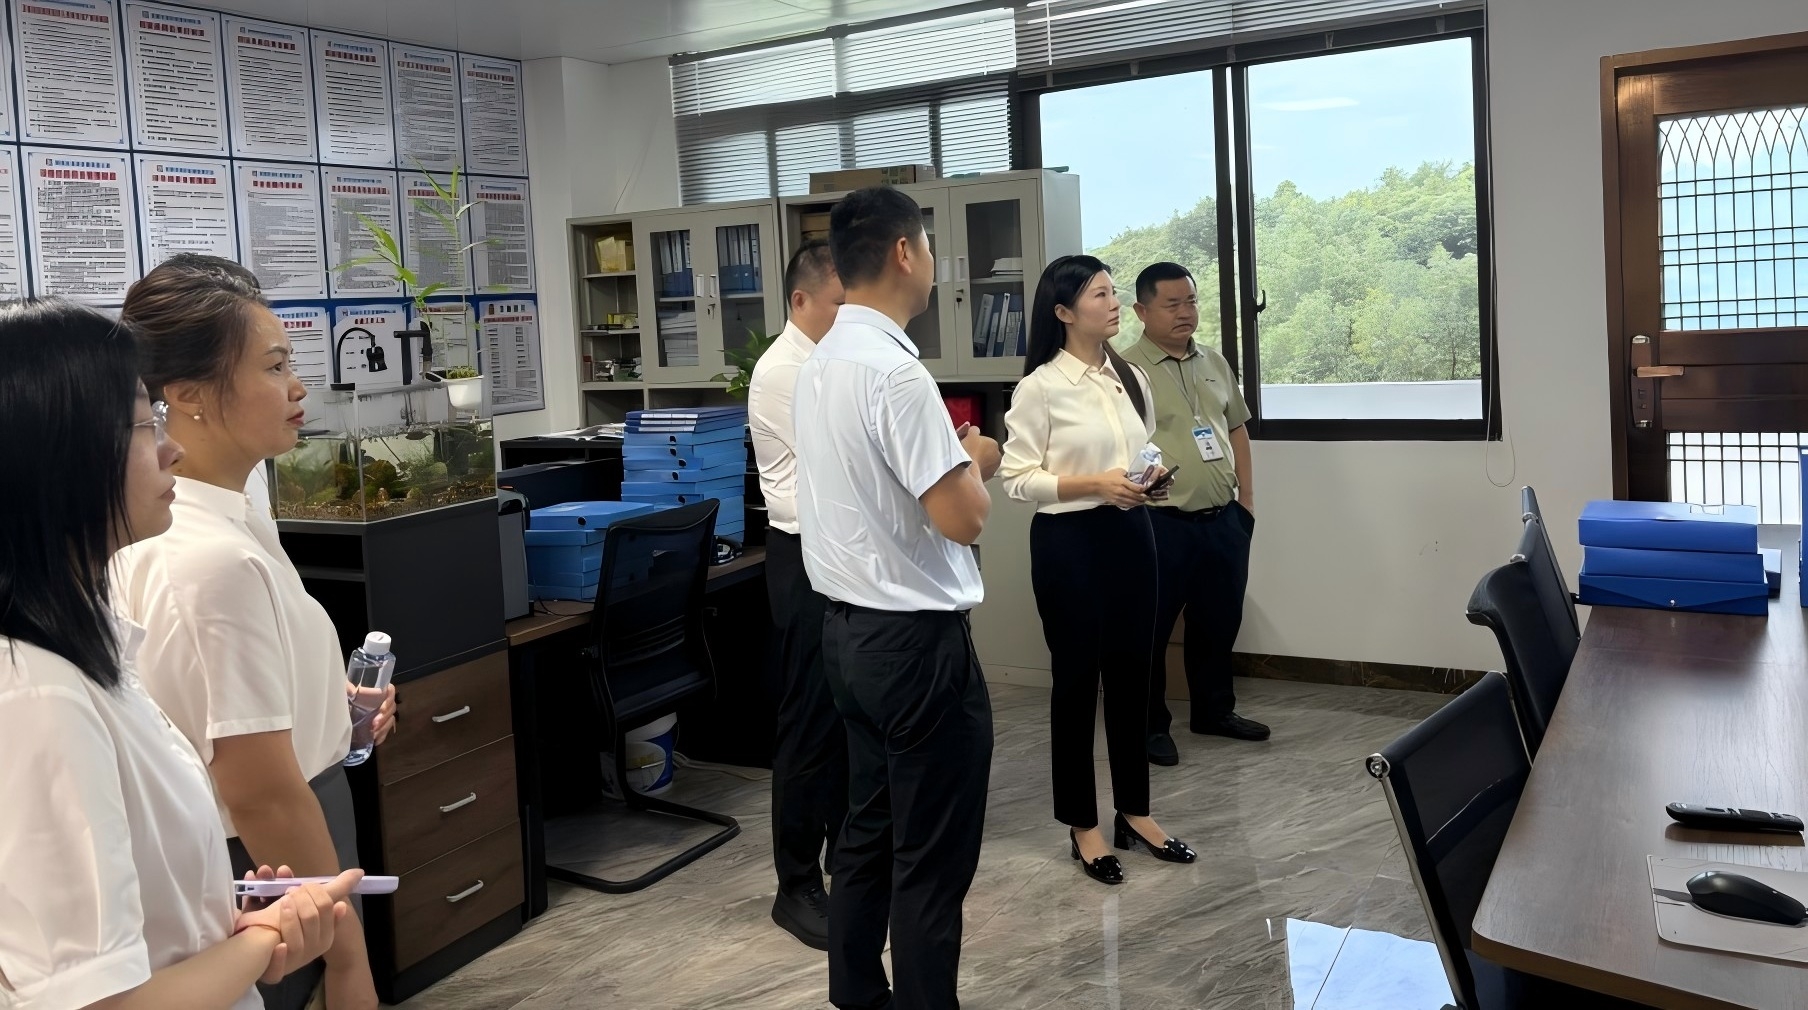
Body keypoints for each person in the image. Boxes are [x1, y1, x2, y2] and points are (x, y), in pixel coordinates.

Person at [0, 297, 361, 1010]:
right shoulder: (38, 695)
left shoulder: (84, 648)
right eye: (144, 425)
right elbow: (100, 1002)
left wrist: (227, 922)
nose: (168, 449)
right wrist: (267, 941)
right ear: (60, 456)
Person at [112, 255, 395, 1010]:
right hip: (271, 859)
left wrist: (331, 708)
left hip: (303, 821)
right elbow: (259, 791)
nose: (297, 387)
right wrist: (349, 959)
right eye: (273, 367)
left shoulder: (236, 507)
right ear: (188, 396)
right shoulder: (203, 555)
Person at [794, 187, 1000, 1010]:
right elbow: (961, 518)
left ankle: (857, 994)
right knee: (931, 856)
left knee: (868, 831)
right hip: (915, 647)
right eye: (930, 246)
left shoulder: (821, 361)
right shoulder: (895, 372)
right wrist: (975, 459)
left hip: (848, 639)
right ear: (906, 253)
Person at [1000, 255, 1198, 886]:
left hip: (1133, 534)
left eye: (1114, 292)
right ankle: (1083, 826)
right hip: (1070, 543)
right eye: (1099, 295)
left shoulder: (1128, 376)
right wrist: (1095, 484)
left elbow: (1141, 448)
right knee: (1077, 683)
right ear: (1063, 312)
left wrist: (1148, 479)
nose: (1114, 304)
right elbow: (1017, 478)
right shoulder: (1040, 387)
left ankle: (1135, 813)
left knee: (1135, 677)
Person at [1124, 262, 1269, 766]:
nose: (1185, 312)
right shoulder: (1124, 371)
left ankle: (1214, 711)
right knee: (1150, 630)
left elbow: (1236, 429)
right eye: (1172, 304)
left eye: (1191, 301)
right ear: (1141, 310)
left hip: (1223, 519)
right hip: (1159, 522)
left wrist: (1246, 504)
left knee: (1218, 622)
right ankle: (1149, 727)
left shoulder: (1214, 360)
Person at [747, 239, 848, 949]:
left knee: (846, 717)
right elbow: (843, 460)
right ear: (801, 300)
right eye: (840, 303)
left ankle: (847, 859)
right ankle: (796, 885)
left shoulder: (832, 360)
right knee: (810, 725)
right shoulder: (785, 369)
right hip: (803, 556)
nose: (849, 315)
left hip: (840, 554)